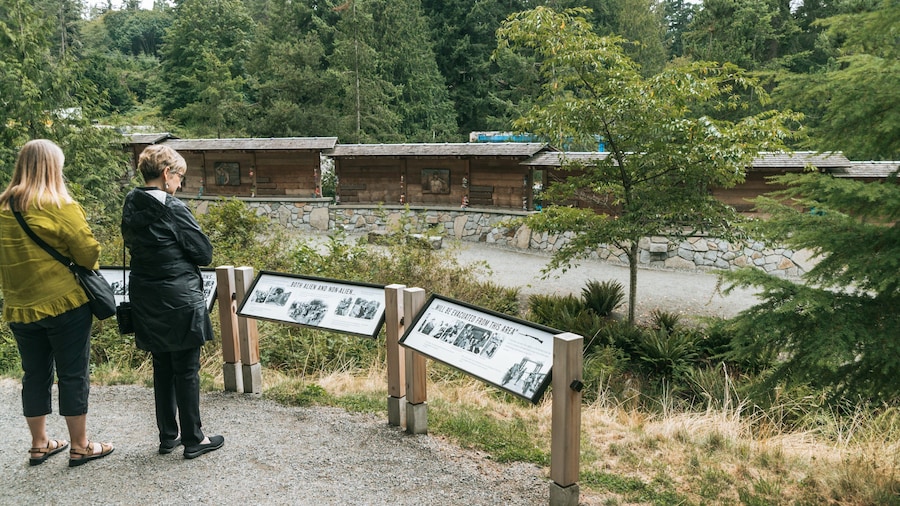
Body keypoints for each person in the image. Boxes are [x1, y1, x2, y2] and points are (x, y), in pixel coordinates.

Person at [0, 139, 114, 467]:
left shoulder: (3, 209)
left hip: (20, 307)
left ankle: (39, 444)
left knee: (34, 374)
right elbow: (88, 254)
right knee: (72, 374)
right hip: (65, 304)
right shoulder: (60, 206)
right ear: (54, 168)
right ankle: (80, 446)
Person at [121, 144, 224, 459]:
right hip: (177, 297)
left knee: (162, 366)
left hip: (145, 295)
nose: (180, 184)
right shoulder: (173, 207)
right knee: (186, 369)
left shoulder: (130, 205)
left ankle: (168, 436)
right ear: (167, 174)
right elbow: (204, 253)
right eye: (180, 177)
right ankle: (194, 438)